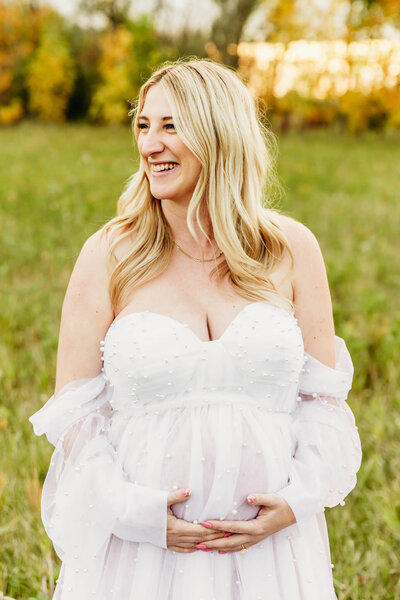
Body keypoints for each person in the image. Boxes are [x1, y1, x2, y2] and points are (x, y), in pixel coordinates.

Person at [30, 58, 362, 600]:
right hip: (141, 559)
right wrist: (132, 512)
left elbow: (323, 398)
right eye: (144, 125)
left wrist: (297, 500)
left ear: (219, 134)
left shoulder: (291, 248)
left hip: (270, 558)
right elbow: (76, 409)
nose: (150, 144)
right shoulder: (111, 253)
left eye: (171, 126)